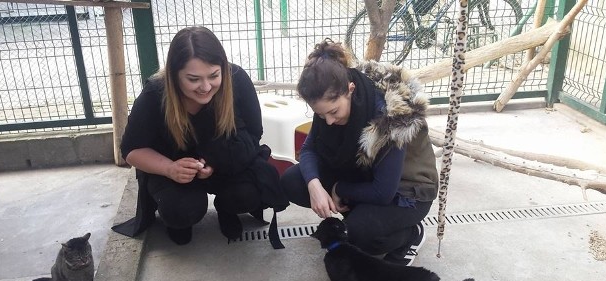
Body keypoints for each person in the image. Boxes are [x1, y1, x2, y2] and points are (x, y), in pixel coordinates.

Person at [112, 26, 288, 248]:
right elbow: (131, 150)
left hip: (224, 161)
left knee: (249, 193)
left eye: (214, 75)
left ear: (223, 68)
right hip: (172, 169)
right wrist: (170, 169)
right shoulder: (154, 95)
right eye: (193, 79)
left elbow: (255, 133)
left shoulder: (237, 79)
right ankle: (179, 221)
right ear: (174, 75)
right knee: (180, 211)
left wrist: (216, 162)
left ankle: (227, 209)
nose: (206, 87)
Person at [281, 39, 439, 265]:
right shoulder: (328, 100)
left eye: (334, 112)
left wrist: (339, 188)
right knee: (294, 181)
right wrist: (314, 185)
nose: (329, 121)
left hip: (405, 191)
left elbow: (383, 191)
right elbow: (308, 149)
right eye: (321, 115)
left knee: (360, 233)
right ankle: (357, 213)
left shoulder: (391, 116)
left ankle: (410, 234)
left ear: (350, 90)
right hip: (363, 174)